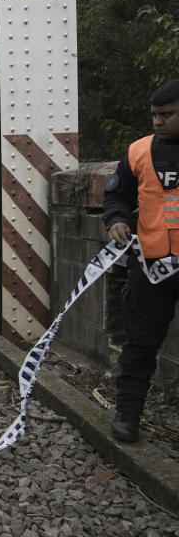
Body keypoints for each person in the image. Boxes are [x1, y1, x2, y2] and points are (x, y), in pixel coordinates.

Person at [104, 79, 179, 443]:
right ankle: (127, 414)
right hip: (152, 267)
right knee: (140, 344)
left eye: (166, 115)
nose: (157, 122)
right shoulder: (137, 152)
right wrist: (117, 219)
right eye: (153, 115)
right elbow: (117, 194)